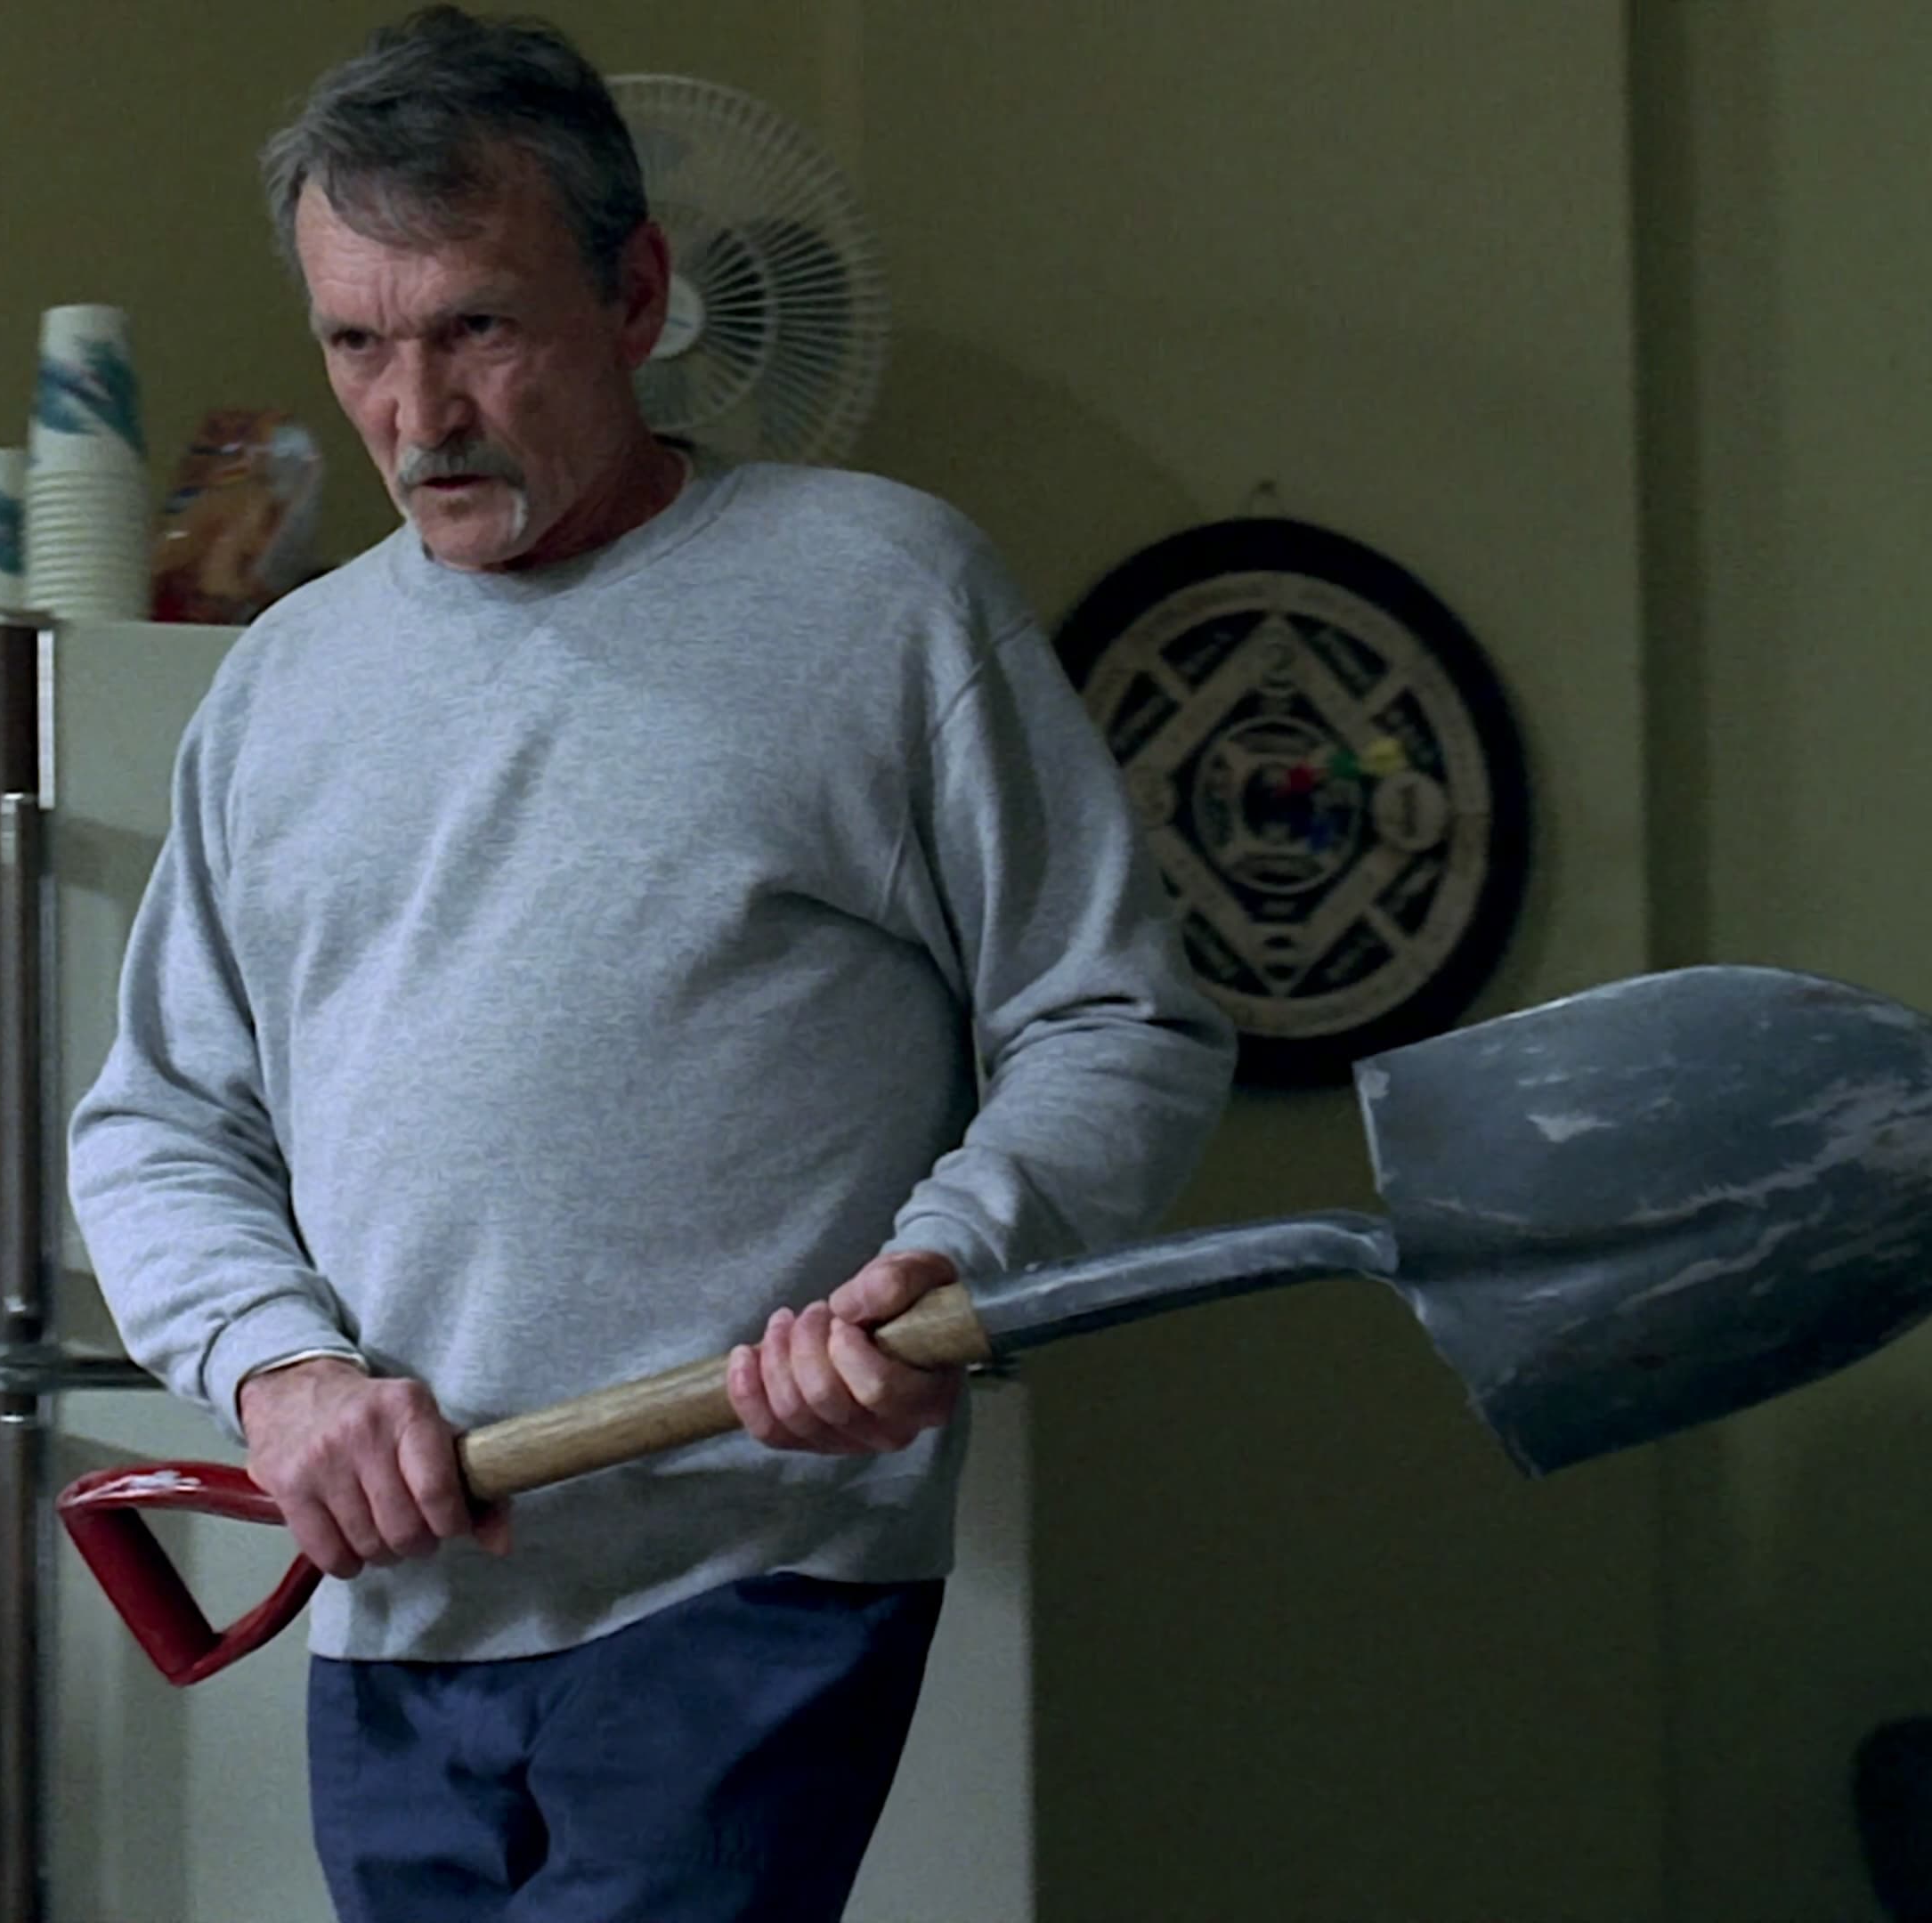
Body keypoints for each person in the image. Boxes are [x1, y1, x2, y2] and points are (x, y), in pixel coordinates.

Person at [66, 10, 1235, 1918]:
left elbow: (1119, 1021)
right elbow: (159, 1126)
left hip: (748, 1580)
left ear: (635, 294)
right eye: (357, 342)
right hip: (399, 1605)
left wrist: (955, 1261)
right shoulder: (280, 684)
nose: (416, 414)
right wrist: (281, 1376)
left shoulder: (881, 594)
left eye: (477, 327)